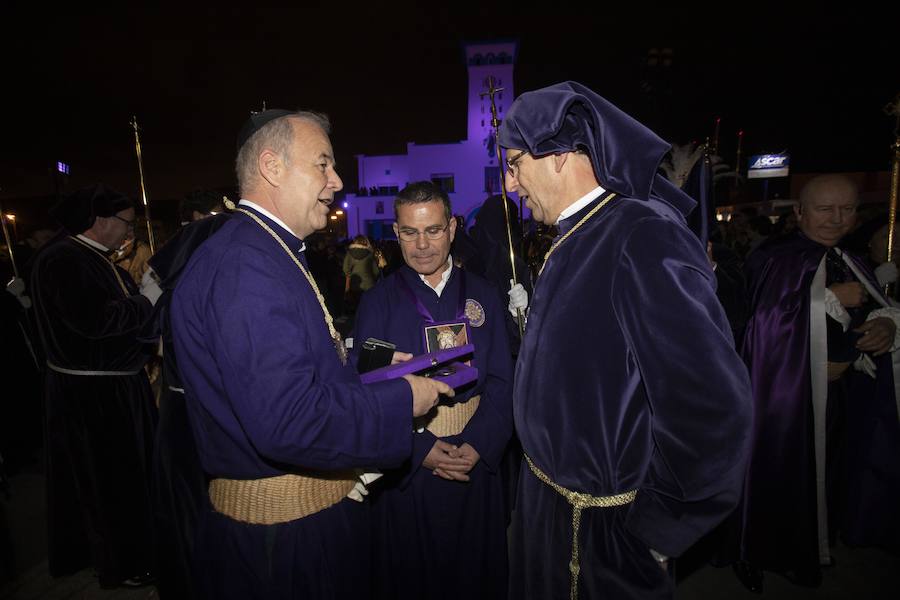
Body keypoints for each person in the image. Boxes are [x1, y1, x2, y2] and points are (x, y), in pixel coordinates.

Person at [169, 109, 451, 599]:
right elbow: (289, 418)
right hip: (283, 547)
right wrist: (403, 400)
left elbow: (305, 361)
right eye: (323, 164)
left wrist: (374, 366)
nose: (337, 181)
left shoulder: (267, 250)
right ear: (272, 167)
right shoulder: (246, 267)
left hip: (300, 531)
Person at [498, 81, 752, 600]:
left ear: (559, 156)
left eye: (514, 163)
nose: (509, 184)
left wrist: (657, 530)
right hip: (550, 513)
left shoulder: (641, 235)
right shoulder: (576, 234)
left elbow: (711, 408)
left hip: (601, 534)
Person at [734, 174, 900, 591]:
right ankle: (751, 552)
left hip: (837, 394)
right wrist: (824, 296)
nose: (836, 219)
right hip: (782, 392)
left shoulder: (851, 256)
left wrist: (885, 325)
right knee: (774, 471)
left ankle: (807, 547)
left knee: (822, 475)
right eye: (825, 209)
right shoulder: (776, 255)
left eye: (846, 209)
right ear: (800, 213)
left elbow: (875, 309)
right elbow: (763, 323)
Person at [351, 181, 514, 600]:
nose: (422, 245)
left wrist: (479, 444)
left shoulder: (485, 295)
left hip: (474, 463)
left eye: (433, 230)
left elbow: (503, 380)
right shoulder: (377, 303)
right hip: (409, 468)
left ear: (453, 228)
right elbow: (365, 392)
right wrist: (418, 450)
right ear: (396, 232)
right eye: (409, 232)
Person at [28, 184, 158, 588]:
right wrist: (146, 301)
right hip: (95, 398)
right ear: (100, 221)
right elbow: (95, 322)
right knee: (112, 486)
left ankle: (135, 552)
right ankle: (125, 563)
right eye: (126, 223)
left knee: (125, 481)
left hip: (113, 388)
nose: (129, 232)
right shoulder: (65, 260)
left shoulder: (94, 259)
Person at [342, 234, 379, 311]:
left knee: (357, 307)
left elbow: (345, 269)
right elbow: (376, 271)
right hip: (369, 284)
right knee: (369, 307)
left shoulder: (349, 253)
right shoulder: (370, 254)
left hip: (355, 283)